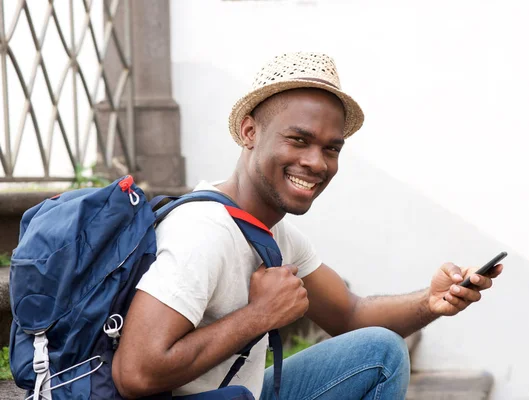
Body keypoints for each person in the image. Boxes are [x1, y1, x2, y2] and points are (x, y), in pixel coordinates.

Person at [112, 52, 503, 400]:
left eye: (331, 148)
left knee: (380, 352)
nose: (317, 163)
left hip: (239, 393)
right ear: (250, 132)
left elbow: (349, 315)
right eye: (299, 140)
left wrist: (431, 301)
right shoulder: (203, 233)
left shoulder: (275, 235)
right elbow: (135, 374)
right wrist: (259, 315)